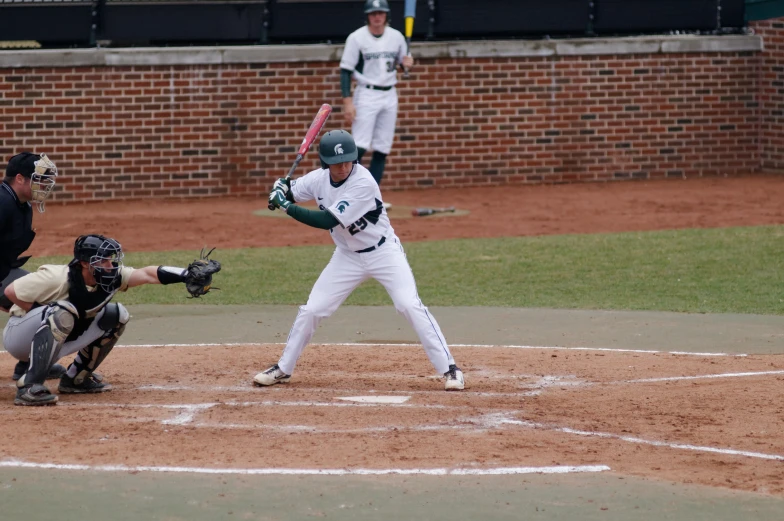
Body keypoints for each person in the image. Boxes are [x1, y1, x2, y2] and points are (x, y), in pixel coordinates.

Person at [255, 129, 464, 391]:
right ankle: (283, 369)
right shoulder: (318, 180)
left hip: (383, 252)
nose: (343, 167)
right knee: (312, 310)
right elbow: (292, 190)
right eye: (337, 163)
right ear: (325, 163)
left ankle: (450, 369)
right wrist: (281, 188)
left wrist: (284, 204)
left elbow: (326, 220)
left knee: (408, 305)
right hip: (346, 257)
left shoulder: (363, 182)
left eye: (348, 161)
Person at [3, 234, 219, 406]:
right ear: (86, 263)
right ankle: (29, 386)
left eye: (110, 259)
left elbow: (147, 274)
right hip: (19, 337)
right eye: (103, 260)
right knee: (62, 311)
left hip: (59, 336)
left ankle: (77, 379)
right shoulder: (57, 277)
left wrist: (184, 275)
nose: (110, 264)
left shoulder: (110, 277)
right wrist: (44, 313)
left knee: (117, 315)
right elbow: (11, 291)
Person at [340, 0, 413, 188]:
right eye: (373, 13)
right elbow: (346, 71)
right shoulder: (357, 38)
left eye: (381, 13)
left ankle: (372, 196)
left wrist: (407, 63)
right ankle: (346, 189)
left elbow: (401, 63)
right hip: (366, 93)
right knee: (360, 145)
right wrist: (348, 102)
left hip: (390, 94)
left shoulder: (396, 37)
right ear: (367, 16)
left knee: (382, 147)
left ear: (386, 15)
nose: (377, 17)